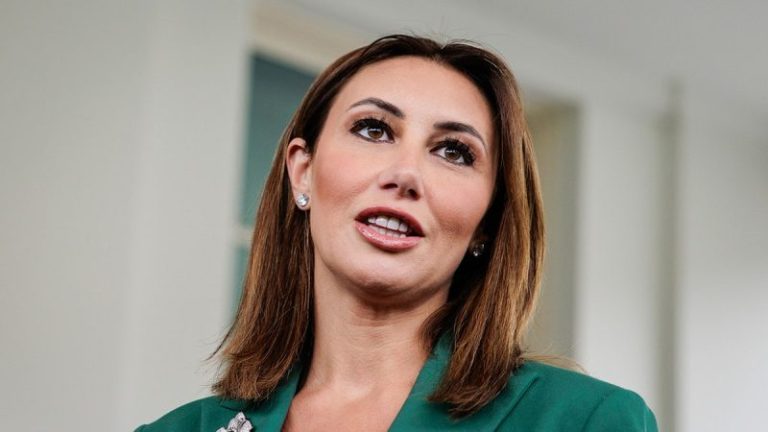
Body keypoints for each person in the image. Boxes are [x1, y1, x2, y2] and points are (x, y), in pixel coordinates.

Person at [136, 34, 657, 432]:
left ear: (488, 220)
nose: (405, 174)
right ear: (303, 172)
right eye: (373, 129)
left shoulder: (586, 419)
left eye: (454, 152)